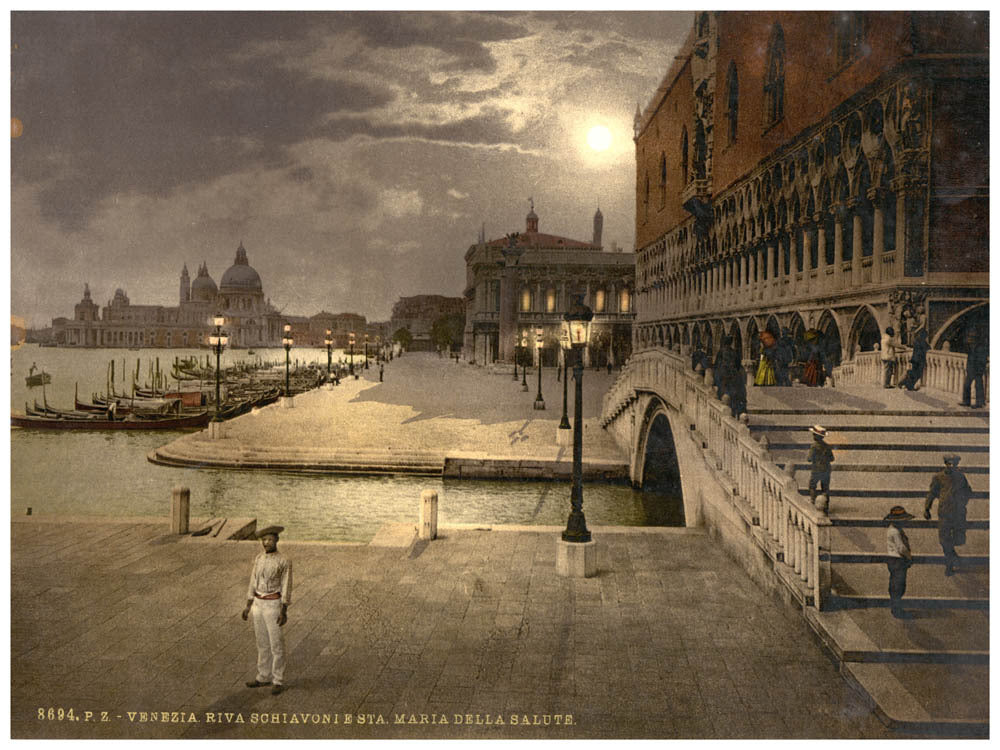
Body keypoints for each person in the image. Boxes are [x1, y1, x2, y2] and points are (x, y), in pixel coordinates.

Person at [242, 525, 293, 695]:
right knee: (262, 642)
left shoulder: (283, 561)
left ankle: (277, 679)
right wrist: (248, 605)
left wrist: (283, 609)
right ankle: (263, 676)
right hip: (258, 603)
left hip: (273, 604)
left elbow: (286, 586)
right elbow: (253, 581)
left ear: (277, 540)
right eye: (264, 540)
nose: (266, 543)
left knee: (276, 644)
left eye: (270, 539)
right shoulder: (258, 559)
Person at [924, 454, 972, 576]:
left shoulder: (961, 477)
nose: (952, 466)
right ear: (945, 463)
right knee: (944, 540)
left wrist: (962, 503)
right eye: (949, 463)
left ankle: (953, 555)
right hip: (944, 513)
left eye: (954, 464)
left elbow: (968, 491)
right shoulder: (938, 477)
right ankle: (949, 564)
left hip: (958, 513)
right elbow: (931, 493)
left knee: (958, 539)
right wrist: (927, 508)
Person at [884, 506, 915, 619]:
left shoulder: (894, 529)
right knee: (898, 585)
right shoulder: (895, 532)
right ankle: (896, 609)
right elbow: (901, 548)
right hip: (898, 560)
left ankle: (895, 607)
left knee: (896, 584)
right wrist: (909, 557)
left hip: (893, 559)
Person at [807, 425, 834, 512]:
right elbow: (832, 458)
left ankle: (812, 501)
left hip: (816, 469)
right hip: (826, 469)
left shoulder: (814, 446)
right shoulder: (827, 446)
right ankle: (825, 505)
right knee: (825, 488)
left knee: (812, 485)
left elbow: (809, 458)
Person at [960, 328, 988, 409]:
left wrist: (980, 369)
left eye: (971, 337)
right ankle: (966, 401)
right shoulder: (971, 346)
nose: (970, 338)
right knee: (967, 385)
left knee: (978, 385)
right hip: (971, 368)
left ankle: (980, 403)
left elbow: (982, 359)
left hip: (977, 369)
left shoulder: (980, 347)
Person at [899, 327, 929, 391]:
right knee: (917, 374)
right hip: (919, 360)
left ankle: (907, 384)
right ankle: (908, 384)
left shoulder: (916, 340)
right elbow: (928, 347)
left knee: (914, 373)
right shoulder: (922, 341)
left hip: (914, 359)